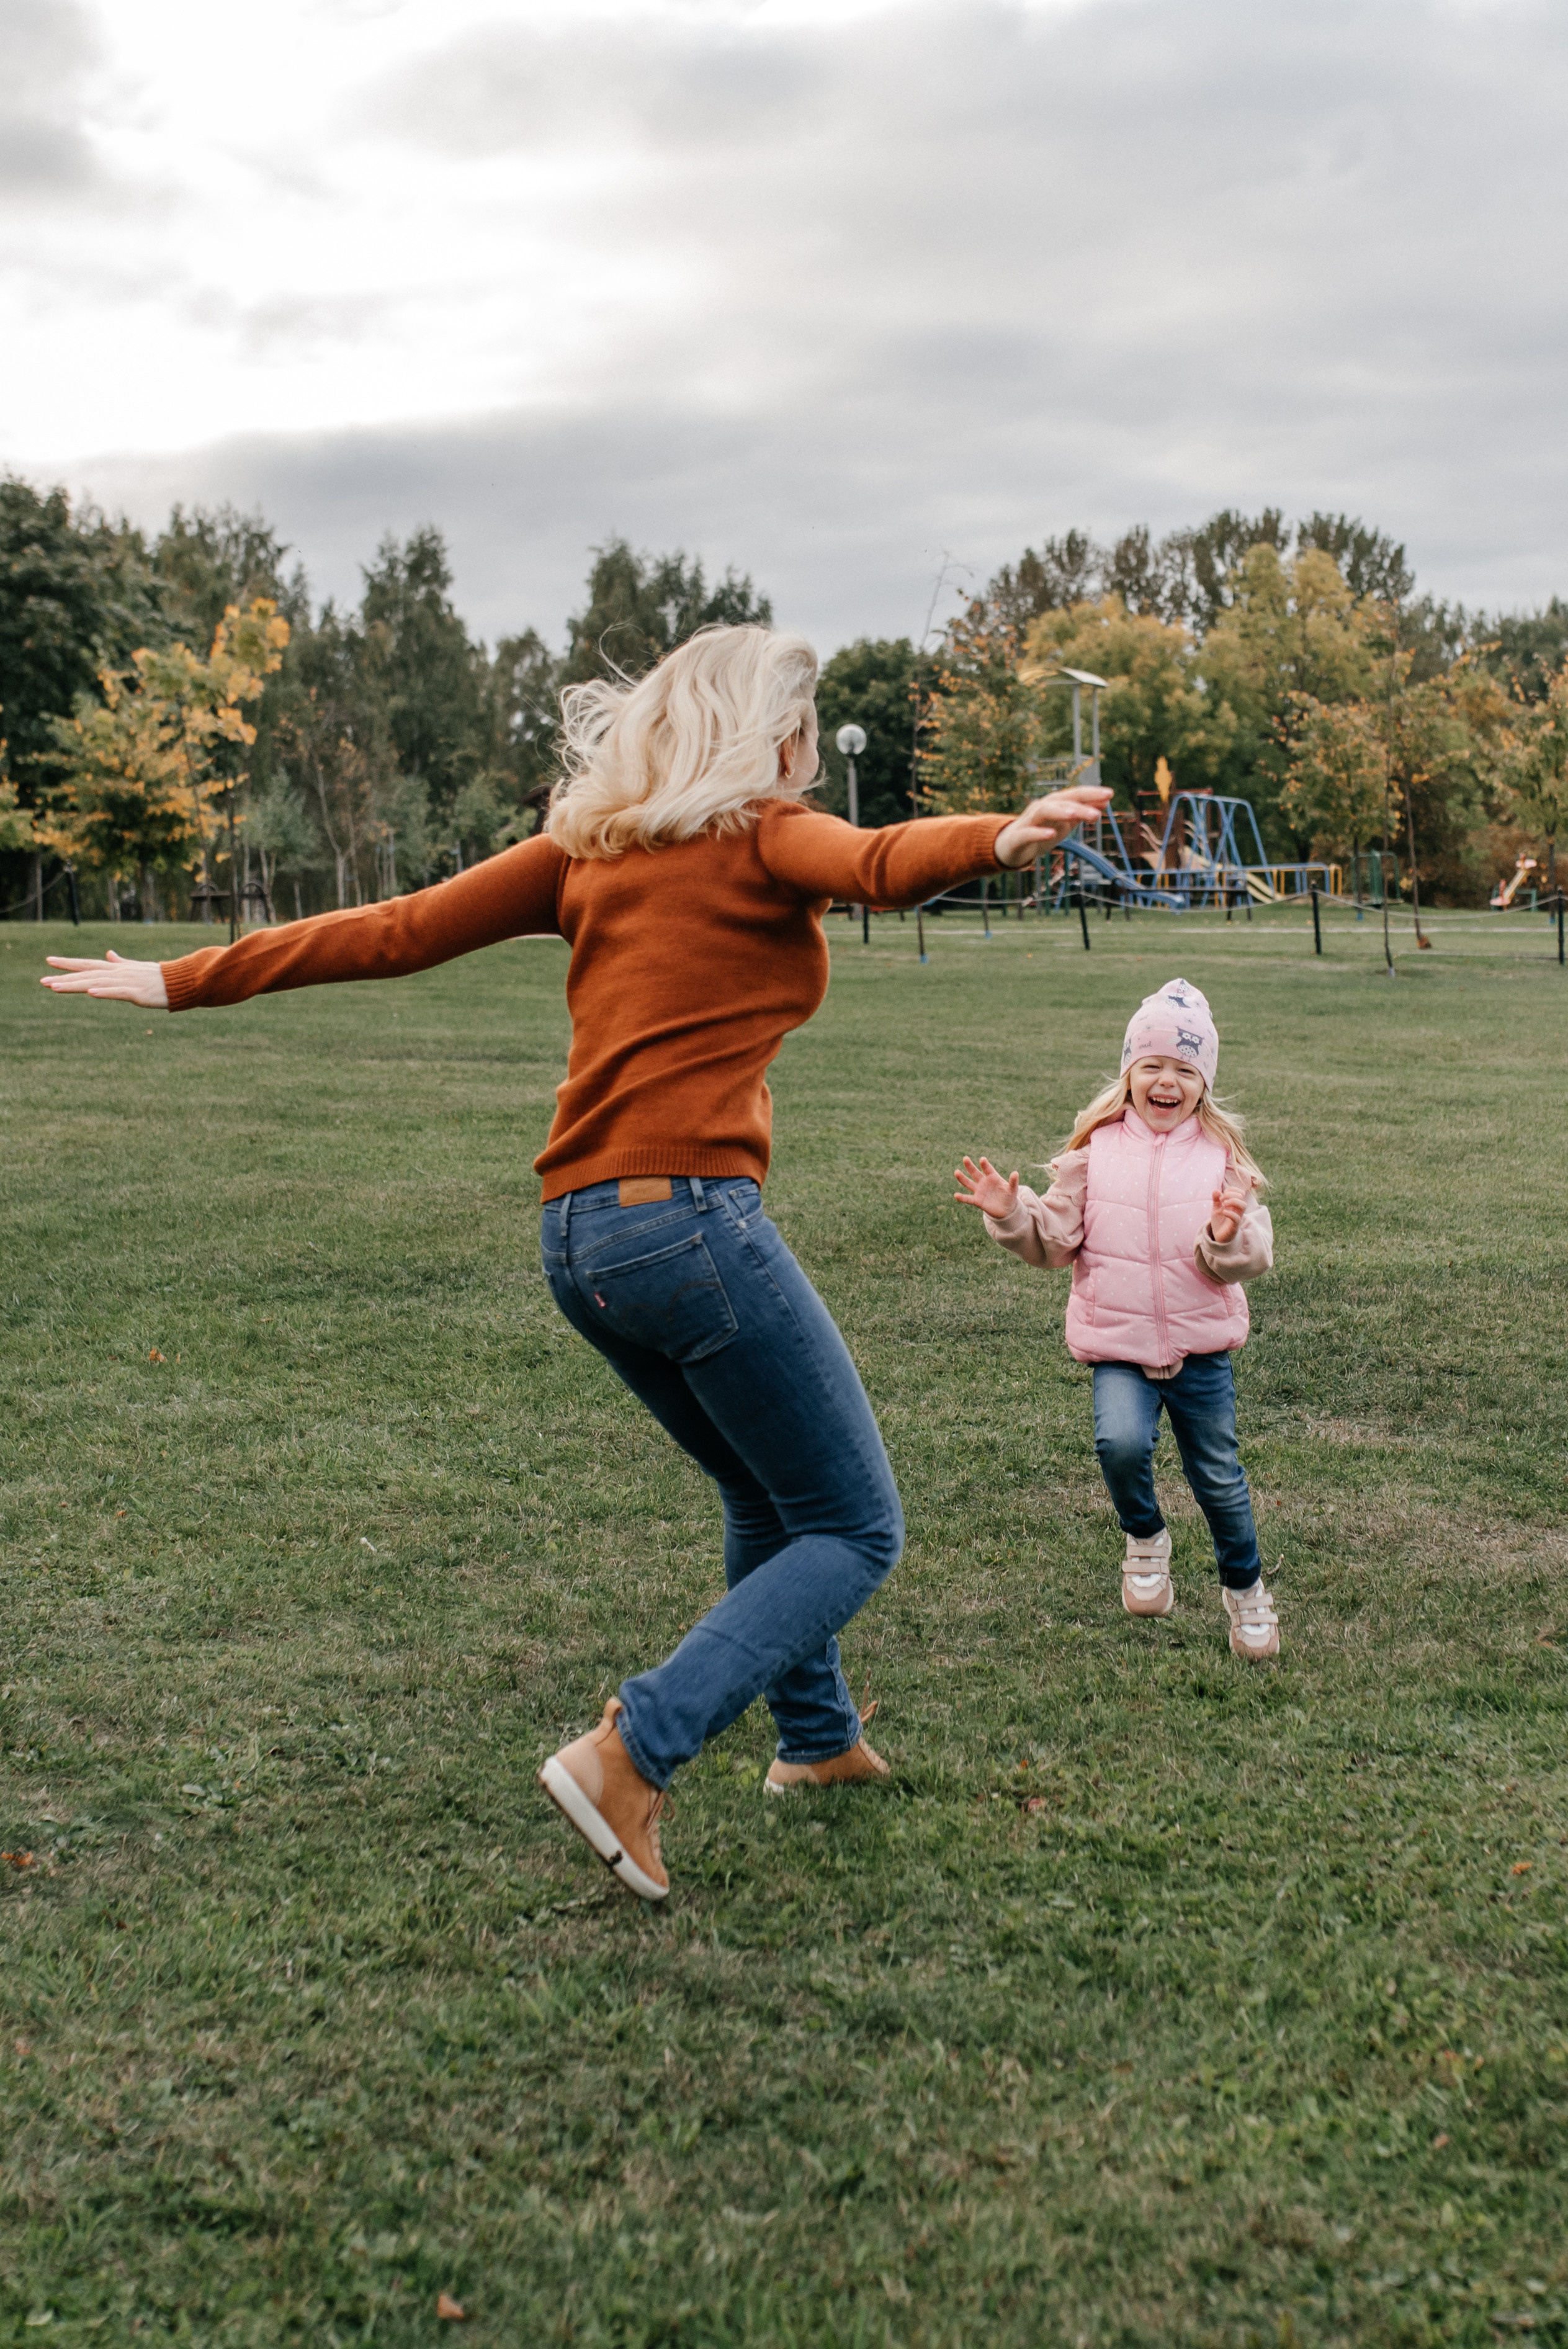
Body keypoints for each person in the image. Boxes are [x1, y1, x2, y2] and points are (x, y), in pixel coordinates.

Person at [43, 622, 1111, 1900]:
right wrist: (995, 837)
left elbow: (394, 928)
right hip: (692, 1225)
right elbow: (877, 861)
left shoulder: (586, 850)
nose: (807, 762)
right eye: (804, 738)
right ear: (768, 736)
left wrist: (181, 978)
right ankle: (633, 1748)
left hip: (580, 1235)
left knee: (770, 1497)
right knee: (854, 1523)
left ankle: (817, 1743)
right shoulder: (763, 832)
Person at [953, 977, 1280, 1660]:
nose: (1167, 1081)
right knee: (1121, 1446)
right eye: (1152, 1065)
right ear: (1129, 1072)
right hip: (1119, 1346)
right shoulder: (1094, 1153)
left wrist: (1223, 1234)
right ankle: (1145, 1536)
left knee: (1218, 1478)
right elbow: (1052, 1238)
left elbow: (1249, 1255)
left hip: (1200, 1349)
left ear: (1204, 1083)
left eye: (1184, 1069)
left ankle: (1246, 1591)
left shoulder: (1223, 1162)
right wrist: (1011, 1213)